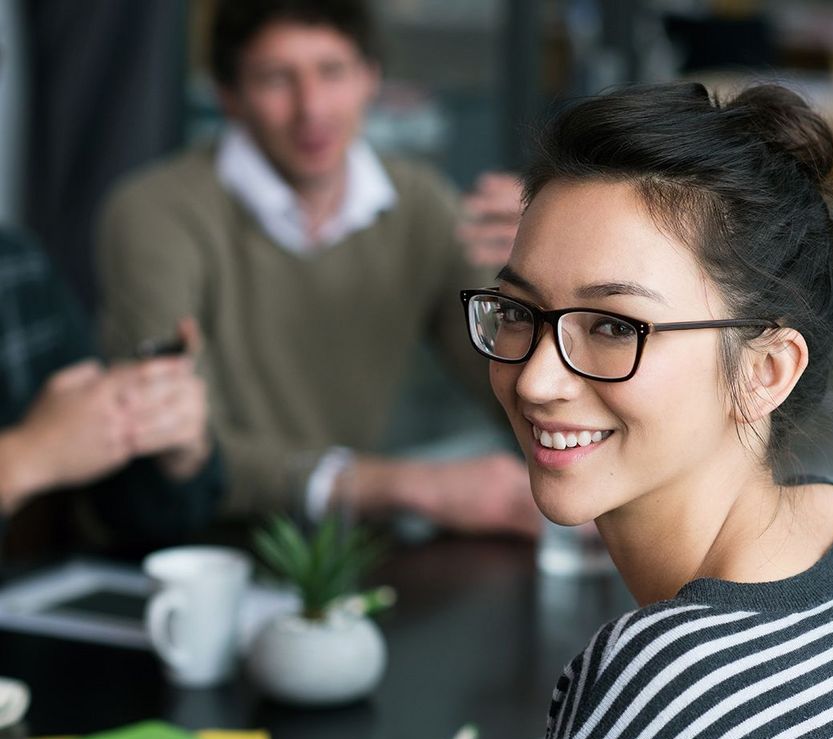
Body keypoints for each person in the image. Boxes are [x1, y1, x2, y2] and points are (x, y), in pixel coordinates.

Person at [238, 83, 833, 739]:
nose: (535, 379)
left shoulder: (673, 677)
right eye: (519, 311)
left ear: (766, 370)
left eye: (611, 327)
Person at [97, 0, 537, 535]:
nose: (312, 109)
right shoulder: (155, 212)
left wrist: (546, 276)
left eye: (333, 71)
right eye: (276, 79)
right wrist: (409, 485)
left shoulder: (420, 204)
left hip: (341, 551)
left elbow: (510, 385)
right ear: (228, 97)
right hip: (191, 546)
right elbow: (175, 441)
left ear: (370, 77)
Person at [0, 227, 220, 554]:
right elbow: (50, 443)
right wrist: (27, 456)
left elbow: (123, 514)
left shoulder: (18, 265)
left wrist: (162, 436)